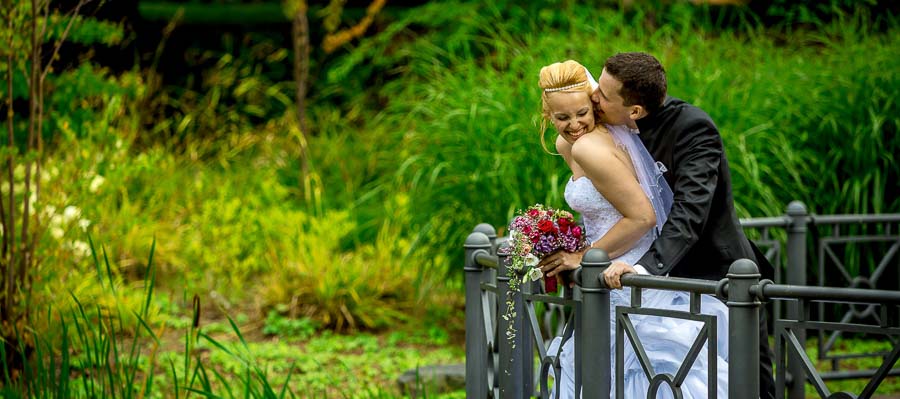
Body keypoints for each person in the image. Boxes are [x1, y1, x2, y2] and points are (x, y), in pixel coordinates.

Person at [536, 59, 729, 399]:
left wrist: (582, 256)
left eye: (583, 111)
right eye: (561, 117)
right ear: (547, 115)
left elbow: (642, 218)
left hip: (621, 276)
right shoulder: (578, 143)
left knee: (629, 372)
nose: (574, 124)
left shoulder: (588, 146)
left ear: (593, 99)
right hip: (608, 271)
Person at [590, 51, 777, 399]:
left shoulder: (692, 128)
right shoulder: (609, 122)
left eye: (602, 92)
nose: (593, 97)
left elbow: (691, 210)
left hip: (718, 279)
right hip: (649, 284)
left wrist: (646, 269)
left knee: (747, 380)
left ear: (635, 111)